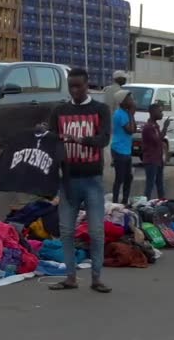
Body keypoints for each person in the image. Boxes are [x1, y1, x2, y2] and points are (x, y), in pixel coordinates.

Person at [47, 68, 112, 293]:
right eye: (71, 86)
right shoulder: (59, 111)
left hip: (92, 179)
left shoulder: (101, 110)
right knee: (65, 231)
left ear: (87, 85)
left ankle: (96, 278)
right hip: (68, 180)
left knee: (95, 231)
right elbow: (51, 140)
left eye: (79, 86)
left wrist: (80, 139)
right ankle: (70, 277)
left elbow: (103, 139)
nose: (75, 90)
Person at [111, 90, 137, 205]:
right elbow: (130, 131)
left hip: (126, 150)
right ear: (122, 101)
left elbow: (134, 128)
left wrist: (131, 115)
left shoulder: (126, 113)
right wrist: (131, 114)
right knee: (120, 178)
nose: (132, 101)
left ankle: (125, 201)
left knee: (128, 178)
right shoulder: (119, 114)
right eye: (130, 99)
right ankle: (115, 201)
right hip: (119, 149)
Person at [142, 103, 170, 200]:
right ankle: (145, 205)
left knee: (160, 184)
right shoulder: (148, 127)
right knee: (149, 185)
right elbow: (158, 140)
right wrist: (165, 127)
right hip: (151, 160)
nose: (162, 114)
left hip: (158, 159)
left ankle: (162, 202)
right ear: (153, 112)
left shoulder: (155, 125)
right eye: (160, 111)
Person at [103, 70, 128, 170]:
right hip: (117, 121)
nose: (125, 79)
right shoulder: (120, 92)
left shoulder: (107, 89)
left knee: (110, 143)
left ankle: (111, 160)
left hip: (107, 120)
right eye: (124, 78)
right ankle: (115, 160)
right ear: (119, 79)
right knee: (117, 142)